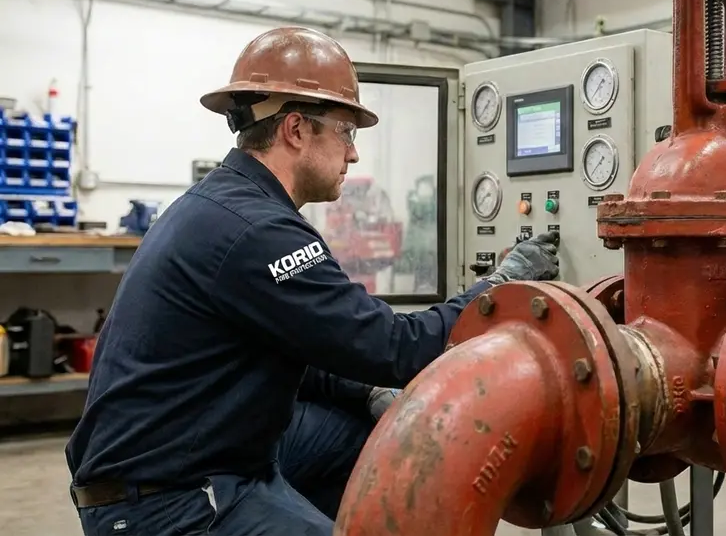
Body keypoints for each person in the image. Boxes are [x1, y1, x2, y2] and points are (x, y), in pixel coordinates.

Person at [64, 26, 561, 535]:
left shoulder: (227, 203)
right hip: (169, 499)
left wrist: (366, 392)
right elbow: (397, 347)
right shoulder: (258, 231)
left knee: (366, 434)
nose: (354, 153)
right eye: (346, 132)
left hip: (199, 451)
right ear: (296, 130)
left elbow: (303, 343)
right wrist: (500, 287)